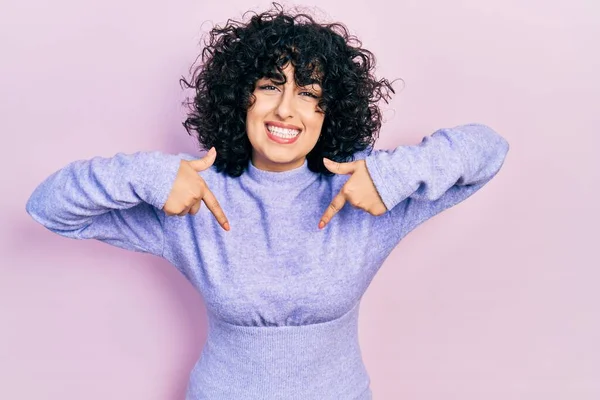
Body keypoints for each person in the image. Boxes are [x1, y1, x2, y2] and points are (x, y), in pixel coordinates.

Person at [25, 4, 509, 400]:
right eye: (270, 87)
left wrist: (392, 175)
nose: (284, 109)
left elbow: (488, 150)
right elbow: (49, 207)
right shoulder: (195, 195)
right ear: (242, 99)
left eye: (308, 93)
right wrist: (148, 175)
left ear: (330, 111)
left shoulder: (367, 191)